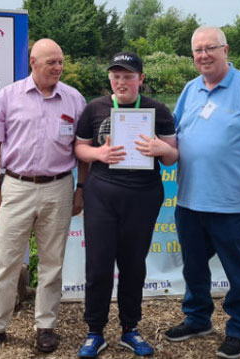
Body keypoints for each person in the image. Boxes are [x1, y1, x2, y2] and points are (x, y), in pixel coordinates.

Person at [163, 26, 240, 359]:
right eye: (198, 50)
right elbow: (172, 136)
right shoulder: (190, 89)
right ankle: (197, 318)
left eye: (210, 48)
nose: (204, 55)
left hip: (232, 204)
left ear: (225, 50)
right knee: (193, 267)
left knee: (239, 271)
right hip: (189, 200)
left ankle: (239, 329)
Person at [0, 38, 88, 355]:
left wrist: (81, 188)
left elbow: (83, 150)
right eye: (51, 62)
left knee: (52, 262)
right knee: (6, 260)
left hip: (59, 187)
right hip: (17, 186)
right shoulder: (9, 96)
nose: (58, 67)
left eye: (61, 61)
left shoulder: (75, 99)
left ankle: (46, 327)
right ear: (33, 63)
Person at [72, 51, 177, 358]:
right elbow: (79, 148)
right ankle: (95, 331)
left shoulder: (158, 110)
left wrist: (161, 148)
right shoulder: (95, 108)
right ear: (110, 79)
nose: (121, 82)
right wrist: (98, 154)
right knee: (98, 265)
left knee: (133, 265)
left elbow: (172, 157)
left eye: (128, 76)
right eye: (116, 76)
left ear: (140, 79)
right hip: (102, 194)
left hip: (143, 196)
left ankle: (130, 328)